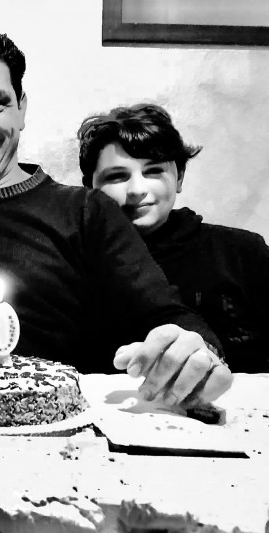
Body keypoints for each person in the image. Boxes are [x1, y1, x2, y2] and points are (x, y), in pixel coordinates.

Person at [0, 32, 233, 407]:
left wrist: (194, 349)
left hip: (52, 425)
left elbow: (162, 311)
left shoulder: (86, 212)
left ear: (21, 109)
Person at [78, 103, 269, 372]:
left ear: (179, 177)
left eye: (153, 171)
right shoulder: (76, 264)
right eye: (117, 176)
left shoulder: (241, 252)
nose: (137, 189)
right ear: (90, 188)